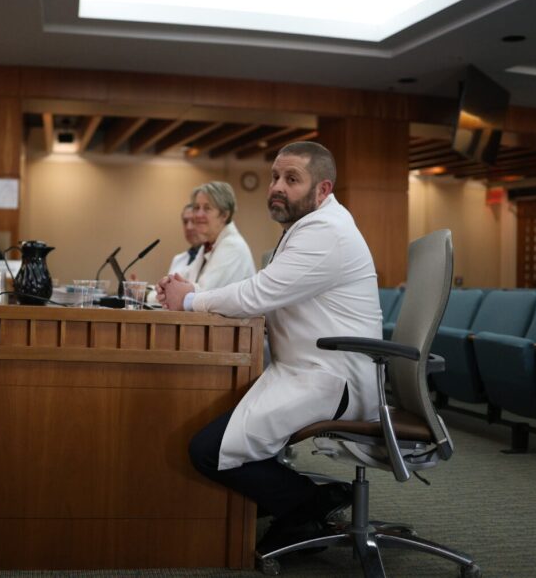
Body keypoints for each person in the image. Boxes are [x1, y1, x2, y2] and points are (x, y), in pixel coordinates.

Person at [156, 142, 382, 553]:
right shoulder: (306, 226)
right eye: (275, 177)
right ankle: (305, 504)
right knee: (217, 440)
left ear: (322, 189)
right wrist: (193, 294)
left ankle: (307, 505)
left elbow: (259, 294)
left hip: (330, 379)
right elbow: (268, 297)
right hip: (304, 371)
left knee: (207, 450)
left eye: (291, 179)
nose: (277, 187)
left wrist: (190, 299)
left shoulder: (326, 231)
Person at [177, 181, 256, 291]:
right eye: (196, 208)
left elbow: (203, 292)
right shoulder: (208, 245)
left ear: (224, 215)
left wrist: (172, 289)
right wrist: (167, 284)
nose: (199, 215)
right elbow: (184, 277)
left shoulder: (232, 246)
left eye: (207, 208)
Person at [167, 204, 203, 275]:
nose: (189, 227)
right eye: (185, 222)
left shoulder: (213, 257)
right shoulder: (177, 260)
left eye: (194, 221)